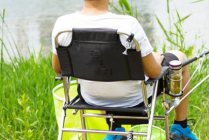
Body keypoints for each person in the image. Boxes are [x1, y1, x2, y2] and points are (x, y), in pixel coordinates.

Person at [51, 0, 197, 139]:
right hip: (135, 99)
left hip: (91, 97)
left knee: (100, 69)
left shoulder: (62, 25)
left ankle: (115, 131)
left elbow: (58, 68)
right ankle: (180, 127)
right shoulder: (128, 26)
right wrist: (157, 58)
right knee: (180, 58)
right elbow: (154, 73)